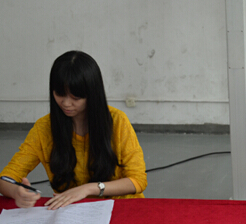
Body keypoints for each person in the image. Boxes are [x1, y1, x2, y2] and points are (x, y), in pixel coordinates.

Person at [0, 51, 147, 209]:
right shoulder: (44, 128)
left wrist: (89, 189)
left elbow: (138, 180)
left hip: (120, 207)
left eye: (75, 98)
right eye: (59, 94)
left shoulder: (117, 121)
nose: (66, 103)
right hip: (72, 211)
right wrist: (16, 192)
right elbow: (6, 178)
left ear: (92, 94)